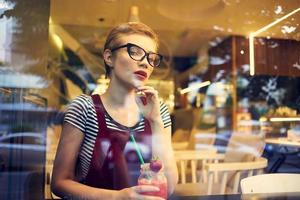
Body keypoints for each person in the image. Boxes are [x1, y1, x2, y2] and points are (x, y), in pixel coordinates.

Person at [51, 22, 178, 199]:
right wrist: (118, 197)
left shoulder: (158, 110)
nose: (145, 63)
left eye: (151, 57)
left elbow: (169, 187)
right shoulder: (84, 108)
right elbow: (59, 183)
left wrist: (155, 120)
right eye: (135, 52)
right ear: (109, 57)